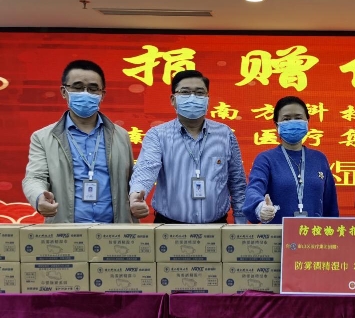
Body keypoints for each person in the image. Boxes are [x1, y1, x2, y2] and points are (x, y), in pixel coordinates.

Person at [22, 60, 137, 223]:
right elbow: (35, 177)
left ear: (102, 94)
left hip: (114, 231)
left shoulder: (120, 135)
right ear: (64, 92)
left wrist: (137, 198)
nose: (85, 93)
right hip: (66, 231)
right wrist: (39, 196)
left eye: (93, 89)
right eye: (77, 87)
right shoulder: (43, 137)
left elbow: (131, 180)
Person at [129, 69, 247, 224]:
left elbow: (237, 182)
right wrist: (137, 194)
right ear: (173, 99)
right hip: (169, 226)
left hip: (217, 226)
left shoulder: (225, 134)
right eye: (185, 92)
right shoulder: (158, 135)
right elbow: (146, 168)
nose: (193, 98)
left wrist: (241, 222)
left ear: (207, 99)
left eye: (199, 93)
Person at [243, 96, 339, 224]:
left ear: (307, 121)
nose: (293, 122)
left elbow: (330, 206)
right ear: (276, 125)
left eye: (298, 118)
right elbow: (254, 189)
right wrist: (260, 207)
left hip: (314, 234)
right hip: (278, 234)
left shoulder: (319, 159)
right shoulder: (266, 159)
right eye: (286, 119)